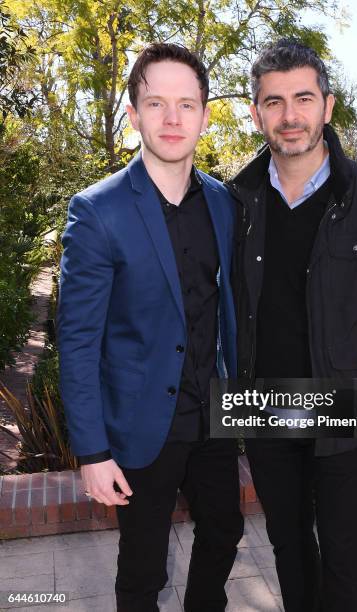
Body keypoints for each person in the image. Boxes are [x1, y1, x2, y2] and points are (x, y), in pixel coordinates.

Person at [228, 39, 357, 612]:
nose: (290, 115)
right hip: (265, 406)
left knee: (343, 553)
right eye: (275, 101)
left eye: (303, 98)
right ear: (257, 112)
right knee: (288, 546)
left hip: (344, 405)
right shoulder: (236, 201)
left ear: (327, 106)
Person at [58, 42, 243, 612]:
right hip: (140, 427)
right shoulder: (97, 211)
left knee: (225, 532)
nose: (172, 118)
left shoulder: (224, 202)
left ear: (205, 115)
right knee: (143, 567)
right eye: (156, 103)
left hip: (211, 417)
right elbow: (79, 341)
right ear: (134, 112)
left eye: (186, 104)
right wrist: (91, 451)